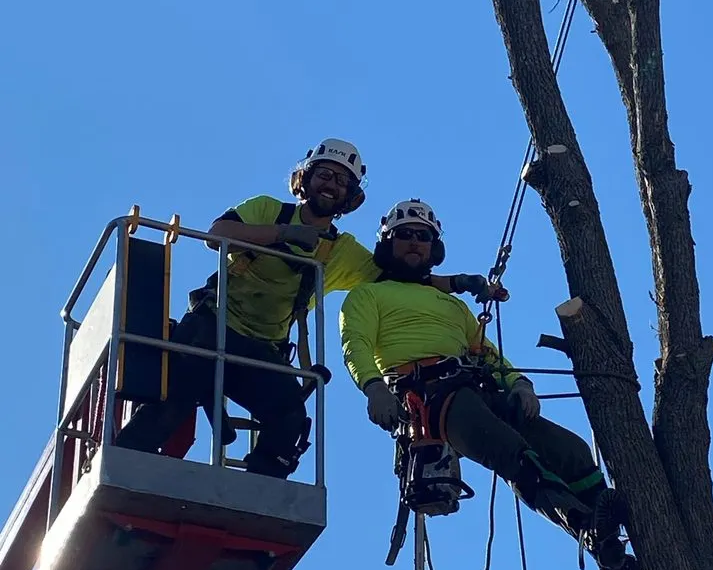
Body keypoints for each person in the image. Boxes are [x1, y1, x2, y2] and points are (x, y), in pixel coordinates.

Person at [116, 141, 491, 480]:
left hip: (262, 350)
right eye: (324, 175)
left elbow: (400, 278)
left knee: (290, 418)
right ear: (306, 180)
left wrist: (458, 282)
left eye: (342, 181)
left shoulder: (342, 251)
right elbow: (218, 234)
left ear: (350, 197)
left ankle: (255, 490)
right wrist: (281, 235)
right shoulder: (268, 210)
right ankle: (124, 465)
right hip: (211, 327)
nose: (331, 184)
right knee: (174, 398)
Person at [338, 198, 642, 570]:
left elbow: (485, 353)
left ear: (434, 247)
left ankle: (613, 557)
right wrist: (372, 386)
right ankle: (586, 527)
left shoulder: (453, 305)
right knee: (515, 454)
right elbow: (354, 344)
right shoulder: (367, 297)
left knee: (572, 452)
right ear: (387, 244)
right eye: (404, 235)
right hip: (430, 397)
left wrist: (519, 384)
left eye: (422, 237)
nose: (414, 243)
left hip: (475, 386)